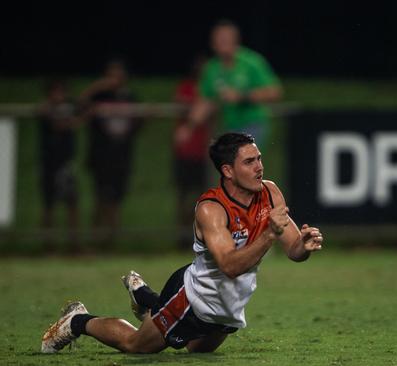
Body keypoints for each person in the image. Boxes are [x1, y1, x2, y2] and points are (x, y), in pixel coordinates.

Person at [41, 132, 324, 354]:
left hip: (230, 306)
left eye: (259, 158)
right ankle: (78, 321)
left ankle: (148, 301)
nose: (259, 167)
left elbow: (293, 250)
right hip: (194, 298)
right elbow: (228, 265)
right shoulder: (211, 209)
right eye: (249, 162)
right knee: (137, 345)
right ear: (227, 170)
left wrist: (304, 246)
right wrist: (269, 235)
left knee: (195, 349)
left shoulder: (270, 192)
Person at [176, 19, 282, 150]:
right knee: (228, 166)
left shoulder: (251, 62)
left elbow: (274, 91)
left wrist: (243, 96)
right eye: (219, 39)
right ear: (212, 43)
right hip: (229, 126)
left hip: (253, 123)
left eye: (226, 39)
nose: (222, 42)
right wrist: (189, 127)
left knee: (240, 162)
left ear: (235, 40)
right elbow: (205, 101)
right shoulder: (212, 68)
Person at [80, 60, 143, 246]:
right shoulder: (99, 96)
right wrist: (98, 86)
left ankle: (110, 242)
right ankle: (94, 240)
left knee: (115, 201)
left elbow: (136, 123)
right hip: (101, 156)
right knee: (100, 199)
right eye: (111, 75)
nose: (115, 79)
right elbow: (80, 104)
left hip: (121, 157)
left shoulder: (128, 96)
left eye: (118, 74)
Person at [37, 80, 82, 250]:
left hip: (66, 164)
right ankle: (48, 245)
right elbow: (58, 124)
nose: (60, 96)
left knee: (72, 204)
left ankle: (74, 245)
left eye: (62, 92)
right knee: (49, 205)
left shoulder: (69, 107)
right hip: (50, 164)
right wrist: (77, 120)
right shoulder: (46, 109)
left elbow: (85, 103)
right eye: (56, 92)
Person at [172, 55, 211, 249]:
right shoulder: (187, 87)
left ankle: (199, 238)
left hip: (204, 153)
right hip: (185, 152)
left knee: (202, 198)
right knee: (184, 196)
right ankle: (182, 236)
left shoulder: (210, 90)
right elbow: (180, 107)